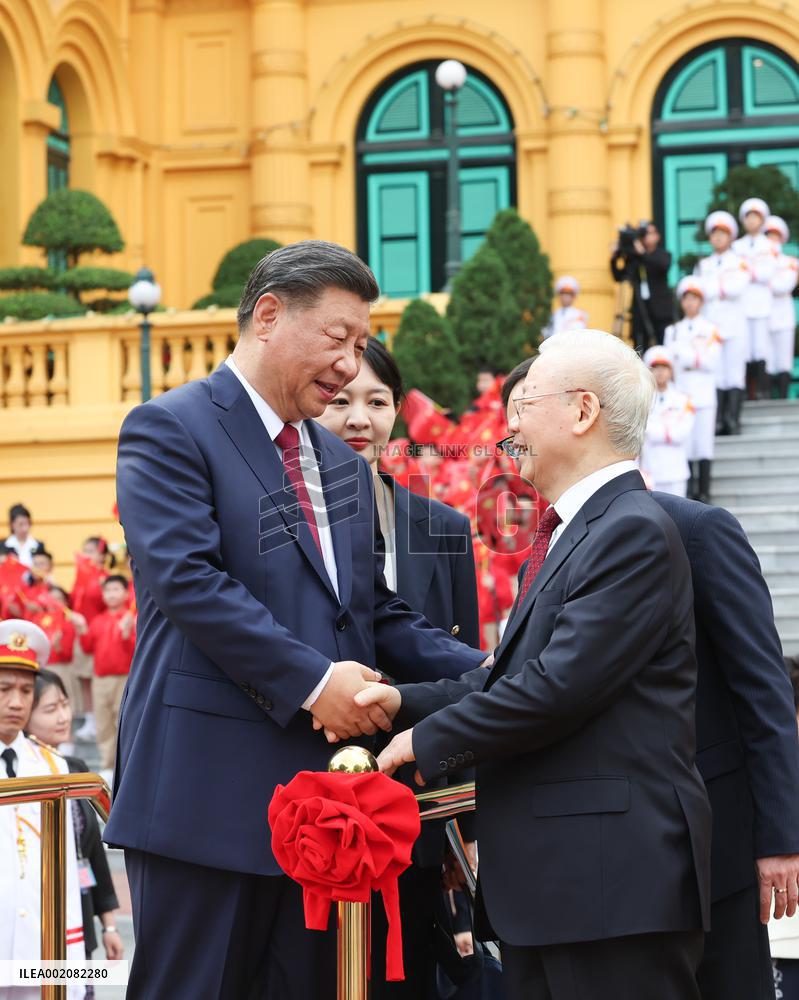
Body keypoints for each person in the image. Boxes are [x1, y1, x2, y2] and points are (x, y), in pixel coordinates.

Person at [106, 240, 487, 1000]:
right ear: (270, 316)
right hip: (204, 801)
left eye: (360, 344)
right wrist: (316, 685)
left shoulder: (339, 461)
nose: (352, 363)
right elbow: (188, 581)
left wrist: (496, 673)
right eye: (338, 338)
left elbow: (370, 610)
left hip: (325, 817)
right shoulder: (169, 428)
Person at [363, 328, 712, 1000]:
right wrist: (399, 702)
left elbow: (555, 690)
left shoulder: (628, 531)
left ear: (582, 412)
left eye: (523, 408)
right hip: (564, 891)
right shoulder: (576, 532)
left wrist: (421, 740)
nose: (506, 428)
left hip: (609, 891)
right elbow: (506, 677)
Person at [317, 335, 480, 998]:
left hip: (415, 793)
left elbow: (465, 681)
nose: (359, 418)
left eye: (377, 400)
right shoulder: (283, 518)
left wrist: (461, 824)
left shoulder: (442, 527)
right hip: (317, 793)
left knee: (406, 971)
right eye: (340, 400)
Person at [642, 491, 799, 1000]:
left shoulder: (698, 529)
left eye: (524, 406)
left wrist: (779, 837)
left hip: (716, 842)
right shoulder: (551, 543)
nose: (512, 429)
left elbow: (763, 688)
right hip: (622, 850)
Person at [0, 620, 85, 1000]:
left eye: (25, 690)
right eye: (4, 690)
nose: (16, 702)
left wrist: (73, 967)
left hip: (40, 952)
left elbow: (64, 873)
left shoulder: (53, 767)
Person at [26, 669, 124, 984]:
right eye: (50, 709)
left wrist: (108, 924)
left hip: (77, 913)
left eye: (65, 705)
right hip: (30, 922)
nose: (63, 716)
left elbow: (92, 850)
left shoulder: (77, 771)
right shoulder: (17, 777)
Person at [664, 277, 721, 503]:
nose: (689, 303)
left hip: (703, 388)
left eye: (694, 299)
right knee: (685, 444)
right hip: (682, 388)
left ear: (701, 301)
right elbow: (670, 362)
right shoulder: (673, 331)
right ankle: (691, 491)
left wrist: (685, 355)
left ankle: (704, 490)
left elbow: (710, 361)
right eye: (686, 299)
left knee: (703, 442)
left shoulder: (710, 329)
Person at [695, 210, 750, 435]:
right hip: (711, 326)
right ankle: (718, 421)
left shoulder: (739, 262)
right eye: (714, 234)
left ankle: (733, 419)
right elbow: (699, 291)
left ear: (731, 237)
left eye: (722, 234)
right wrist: (721, 289)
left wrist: (714, 289)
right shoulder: (704, 265)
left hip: (735, 324)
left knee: (734, 372)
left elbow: (738, 288)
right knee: (716, 373)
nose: (718, 238)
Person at [75, 575, 135, 775]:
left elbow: (135, 650)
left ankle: (124, 765)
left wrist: (127, 633)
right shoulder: (98, 620)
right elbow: (87, 648)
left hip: (124, 677)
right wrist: (82, 629)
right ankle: (107, 766)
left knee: (123, 722)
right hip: (100, 678)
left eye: (116, 589)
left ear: (126, 593)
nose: (111, 594)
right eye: (107, 590)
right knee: (103, 723)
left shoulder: (131, 618)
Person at [733, 197, 776, 399]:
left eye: (755, 217)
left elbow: (768, 272)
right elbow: (734, 273)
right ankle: (746, 391)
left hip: (761, 303)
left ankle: (762, 390)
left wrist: (748, 272)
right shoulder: (737, 246)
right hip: (741, 302)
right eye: (748, 217)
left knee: (761, 347)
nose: (751, 221)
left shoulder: (769, 245)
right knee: (744, 348)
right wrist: (751, 272)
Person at [611, 220, 674, 352]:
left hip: (660, 313)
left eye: (650, 233)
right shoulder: (635, 259)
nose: (646, 237)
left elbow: (663, 266)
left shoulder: (662, 255)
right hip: (639, 312)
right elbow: (619, 276)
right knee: (639, 349)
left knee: (662, 347)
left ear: (657, 236)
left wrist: (642, 253)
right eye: (644, 234)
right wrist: (615, 257)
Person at [640, 346, 694, 497]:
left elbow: (681, 433)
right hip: (650, 468)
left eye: (664, 367)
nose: (660, 372)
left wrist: (655, 432)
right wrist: (667, 431)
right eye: (655, 367)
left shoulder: (683, 399)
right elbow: (641, 430)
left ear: (671, 371)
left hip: (676, 469)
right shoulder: (640, 400)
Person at [764, 215, 799, 399]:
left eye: (774, 236)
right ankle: (768, 396)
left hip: (784, 315)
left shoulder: (791, 262)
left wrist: (764, 281)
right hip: (765, 314)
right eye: (767, 235)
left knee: (784, 358)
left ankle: (784, 396)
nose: (771, 240)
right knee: (768, 358)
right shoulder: (758, 262)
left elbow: (783, 286)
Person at [4, 504, 43, 569]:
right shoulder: (3, 546)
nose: (25, 528)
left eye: (27, 523)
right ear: (12, 524)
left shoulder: (38, 545)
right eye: (21, 524)